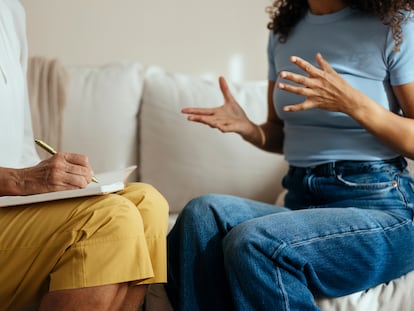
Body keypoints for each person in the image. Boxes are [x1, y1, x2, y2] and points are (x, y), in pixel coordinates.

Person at [166, 0, 414, 310]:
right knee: (201, 215)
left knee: (256, 242)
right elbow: (280, 133)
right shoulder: (286, 32)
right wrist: (250, 129)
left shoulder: (396, 25)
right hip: (303, 203)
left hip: (381, 207)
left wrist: (355, 104)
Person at [0, 0, 169, 310]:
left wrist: (47, 190)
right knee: (111, 219)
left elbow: (23, 140)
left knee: (148, 203)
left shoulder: (11, 11)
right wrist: (20, 181)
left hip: (7, 206)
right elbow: (19, 177)